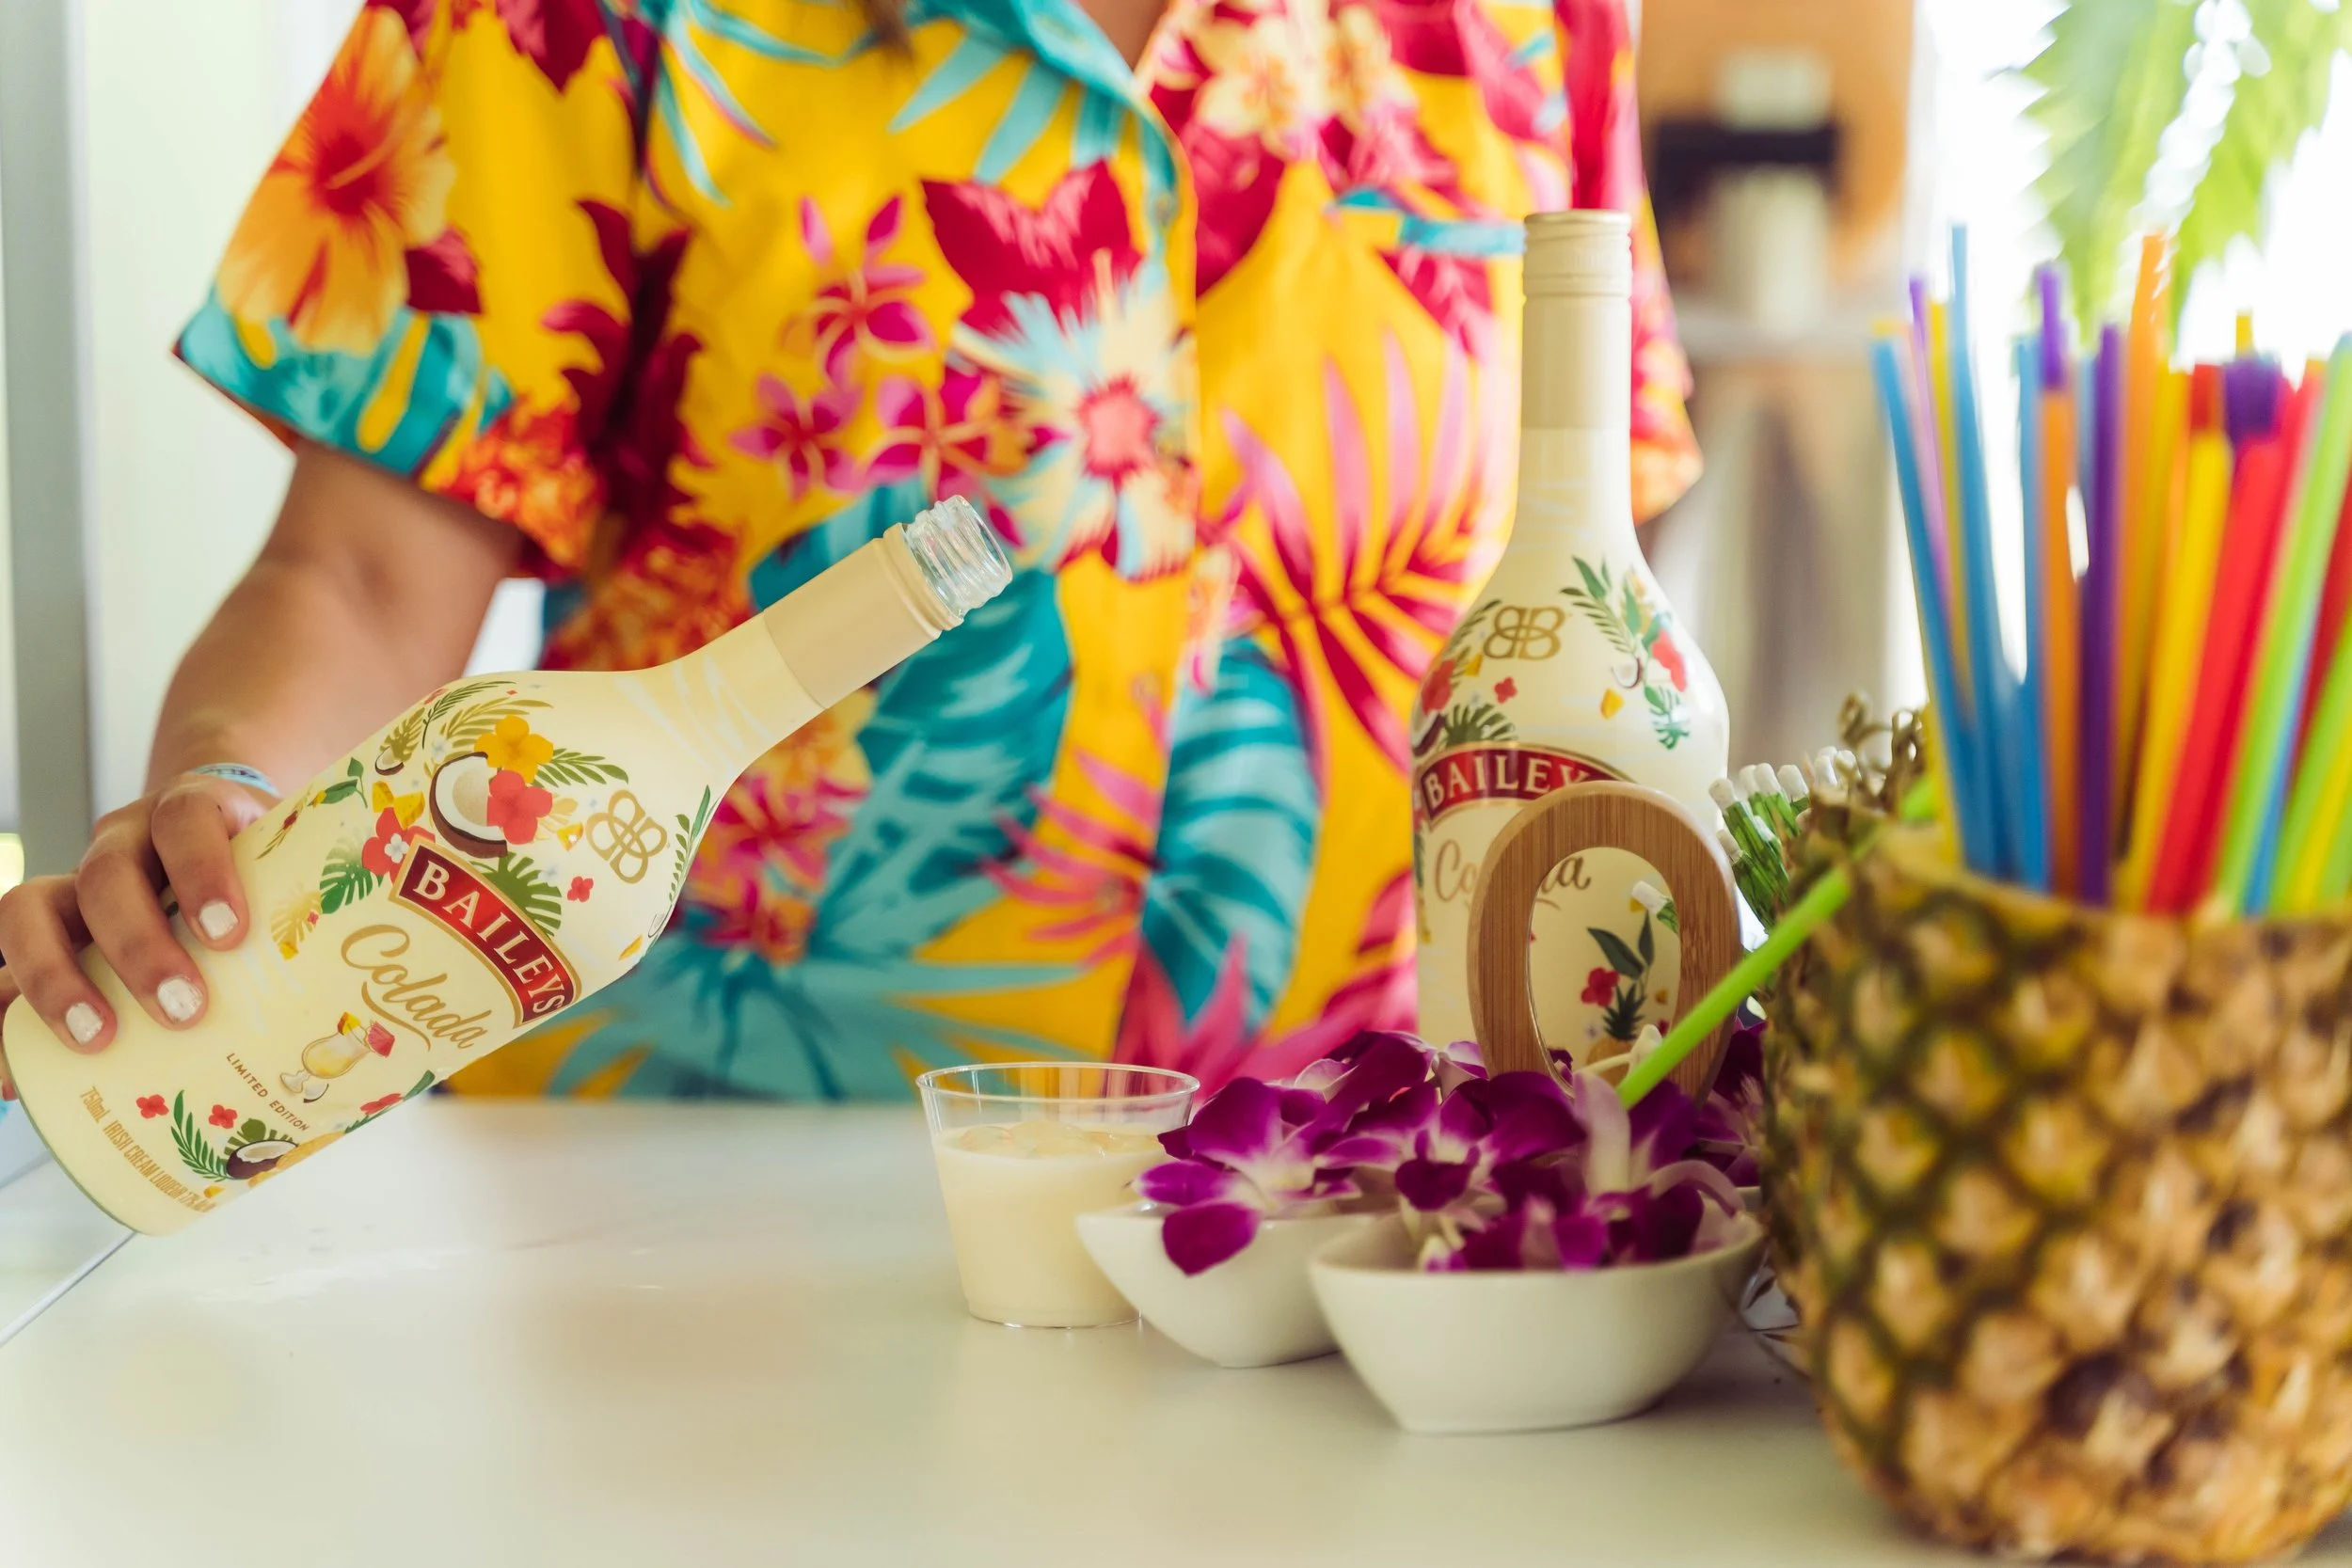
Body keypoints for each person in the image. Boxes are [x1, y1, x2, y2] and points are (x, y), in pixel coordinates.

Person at [0, 0, 1695, 1102]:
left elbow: (1597, 596)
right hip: (696, 1213)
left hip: (1333, 1222)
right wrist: (229, 814)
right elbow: (360, 579)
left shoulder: (1544, 26)